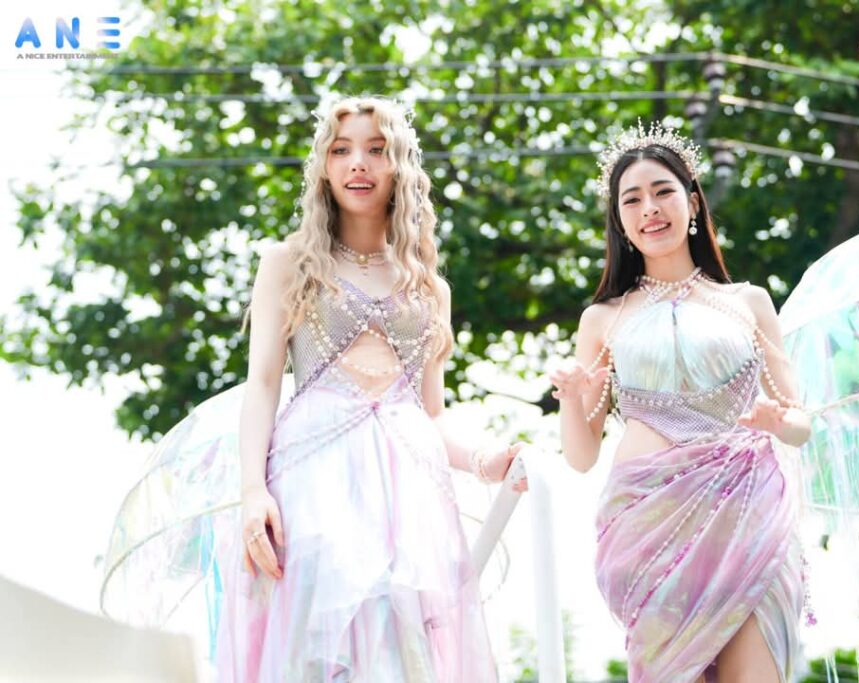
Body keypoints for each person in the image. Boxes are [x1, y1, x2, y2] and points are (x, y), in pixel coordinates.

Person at [101, 96, 522, 682]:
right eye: (342, 150)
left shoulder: (430, 288)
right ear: (324, 165)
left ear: (400, 165)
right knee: (314, 641)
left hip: (409, 491)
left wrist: (483, 460)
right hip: (314, 478)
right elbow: (263, 385)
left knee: (399, 647)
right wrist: (253, 491)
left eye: (376, 150)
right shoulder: (289, 262)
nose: (358, 163)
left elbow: (431, 414)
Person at [549, 122, 811, 682]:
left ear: (692, 202)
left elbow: (801, 422)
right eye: (632, 199)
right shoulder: (603, 318)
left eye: (663, 191)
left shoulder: (747, 302)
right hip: (649, 526)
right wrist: (572, 398)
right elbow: (581, 456)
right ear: (619, 220)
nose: (650, 208)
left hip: (748, 515)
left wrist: (779, 423)